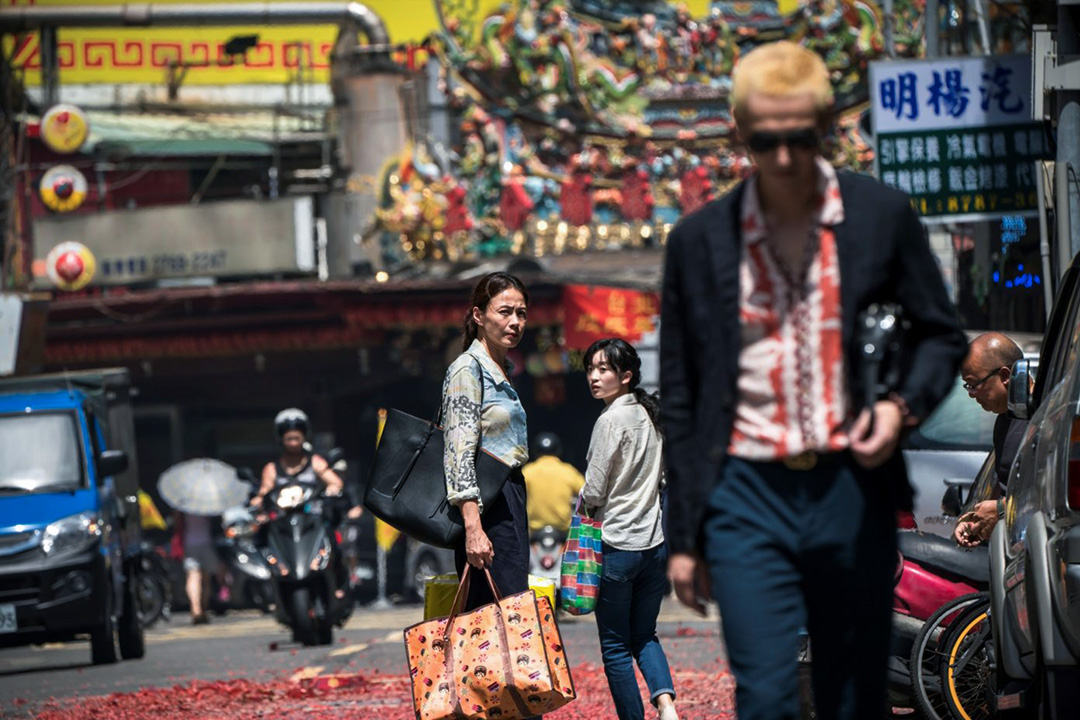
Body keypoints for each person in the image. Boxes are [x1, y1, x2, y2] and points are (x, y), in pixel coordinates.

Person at [658, 41, 967, 720]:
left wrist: (898, 409)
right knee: (766, 696)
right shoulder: (698, 241)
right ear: (739, 132)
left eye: (800, 138)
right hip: (744, 491)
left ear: (826, 128)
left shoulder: (879, 217)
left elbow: (940, 335)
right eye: (766, 141)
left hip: (849, 485)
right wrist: (683, 538)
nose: (785, 158)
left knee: (851, 694)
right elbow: (680, 398)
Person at [580, 338, 678, 720]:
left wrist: (584, 497)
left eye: (604, 369)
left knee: (616, 648)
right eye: (591, 368)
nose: (594, 376)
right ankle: (666, 705)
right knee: (645, 635)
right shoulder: (648, 414)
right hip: (653, 545)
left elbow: (595, 489)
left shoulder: (610, 420)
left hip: (617, 545)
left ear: (626, 376)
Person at [444, 271, 531, 613]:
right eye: (505, 311)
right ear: (479, 316)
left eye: (521, 313)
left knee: (505, 614)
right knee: (496, 616)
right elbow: (458, 451)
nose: (515, 322)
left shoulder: (502, 368)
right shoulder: (468, 368)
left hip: (508, 497)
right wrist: (473, 527)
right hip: (485, 505)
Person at [953, 332, 1026, 547]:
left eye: (974, 384)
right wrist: (977, 521)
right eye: (968, 386)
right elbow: (1000, 487)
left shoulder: (1044, 420)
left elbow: (1050, 497)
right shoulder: (1004, 420)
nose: (971, 394)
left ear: (1005, 376)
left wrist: (1001, 510)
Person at [251, 408, 344, 506]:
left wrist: (332, 488)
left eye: (297, 438)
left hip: (312, 515)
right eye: (289, 439)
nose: (293, 443)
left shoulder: (315, 463)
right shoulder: (272, 469)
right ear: (281, 439)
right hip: (282, 516)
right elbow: (265, 491)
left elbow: (336, 483)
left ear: (304, 437)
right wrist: (259, 500)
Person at [522, 432, 584, 536]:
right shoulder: (568, 471)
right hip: (563, 530)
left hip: (533, 531)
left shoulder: (528, 471)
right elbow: (586, 492)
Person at [172, 511, 224, 625]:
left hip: (189, 543)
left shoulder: (184, 505)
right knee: (206, 579)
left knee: (193, 576)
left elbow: (176, 523)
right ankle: (203, 610)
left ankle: (195, 610)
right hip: (206, 543)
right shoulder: (207, 504)